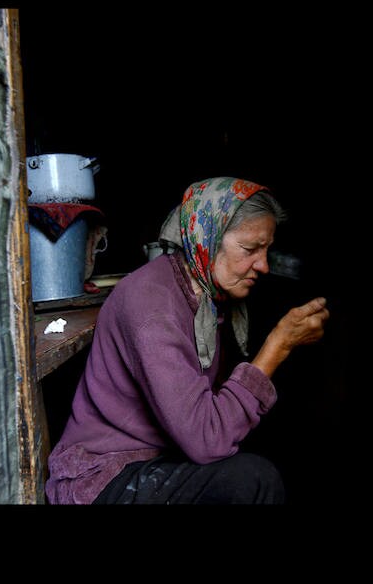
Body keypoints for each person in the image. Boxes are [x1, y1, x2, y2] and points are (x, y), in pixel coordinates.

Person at [45, 176, 329, 504]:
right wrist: (278, 346)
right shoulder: (151, 305)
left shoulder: (204, 297)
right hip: (105, 472)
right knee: (253, 480)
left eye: (266, 250)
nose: (263, 265)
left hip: (158, 454)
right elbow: (206, 440)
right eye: (250, 249)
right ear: (207, 240)